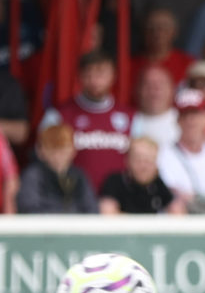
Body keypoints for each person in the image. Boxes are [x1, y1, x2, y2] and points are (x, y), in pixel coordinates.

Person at [39, 51, 134, 191]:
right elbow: (43, 156)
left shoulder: (131, 117)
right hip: (72, 199)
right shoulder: (58, 116)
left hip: (117, 202)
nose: (95, 81)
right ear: (79, 77)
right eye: (89, 74)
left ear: (113, 75)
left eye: (101, 74)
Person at [17, 124, 97, 214]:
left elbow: (92, 209)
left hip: (76, 226)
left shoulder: (79, 176)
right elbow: (29, 208)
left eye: (63, 151)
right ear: (41, 151)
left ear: (73, 151)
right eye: (53, 151)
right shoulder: (33, 176)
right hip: (43, 227)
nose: (58, 157)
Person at [130, 66, 180, 151]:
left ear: (172, 89)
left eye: (161, 84)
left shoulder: (184, 121)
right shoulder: (127, 121)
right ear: (138, 90)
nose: (154, 90)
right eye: (148, 84)